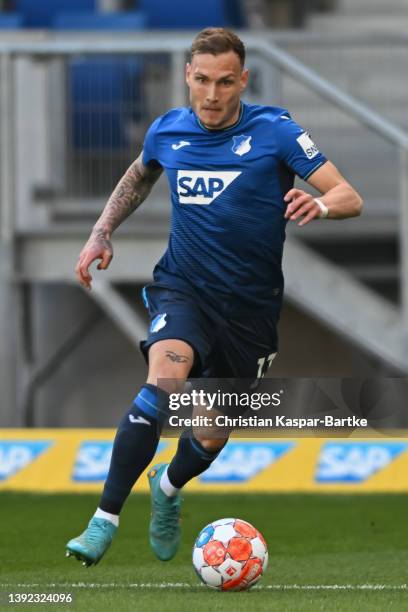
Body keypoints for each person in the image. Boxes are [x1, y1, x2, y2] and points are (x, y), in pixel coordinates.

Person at [66, 27, 362, 566]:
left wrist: (319, 206)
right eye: (201, 80)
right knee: (163, 384)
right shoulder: (168, 130)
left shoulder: (275, 130)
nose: (212, 94)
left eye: (225, 82)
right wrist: (100, 231)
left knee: (209, 435)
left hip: (249, 309)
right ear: (188, 76)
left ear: (242, 80)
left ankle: (169, 489)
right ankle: (103, 520)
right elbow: (138, 176)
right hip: (184, 288)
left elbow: (348, 195)